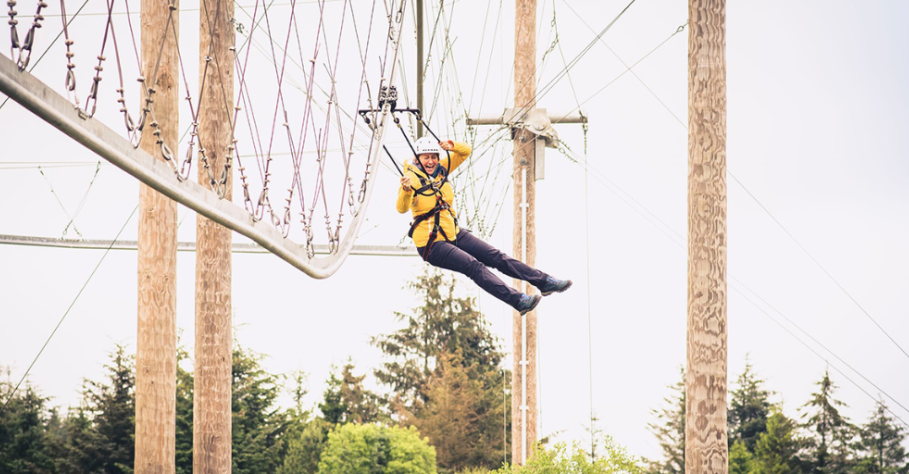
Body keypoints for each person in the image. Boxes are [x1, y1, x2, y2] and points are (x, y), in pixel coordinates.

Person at [396, 136, 571, 314]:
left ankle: (544, 282)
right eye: (426, 157)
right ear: (417, 159)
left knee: (496, 257)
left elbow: (465, 152)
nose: (431, 161)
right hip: (431, 243)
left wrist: (452, 145)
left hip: (452, 233)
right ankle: (518, 301)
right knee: (473, 266)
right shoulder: (411, 179)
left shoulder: (441, 170)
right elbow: (402, 208)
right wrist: (406, 191)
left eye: (434, 157)